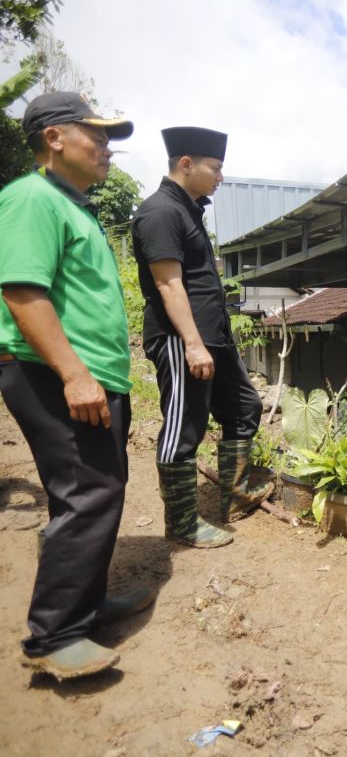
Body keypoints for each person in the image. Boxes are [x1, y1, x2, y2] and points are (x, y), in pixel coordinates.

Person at [0, 92, 154, 679]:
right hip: (56, 376)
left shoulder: (73, 205)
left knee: (98, 489)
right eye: (98, 135)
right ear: (55, 137)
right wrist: (74, 373)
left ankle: (83, 605)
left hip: (87, 377)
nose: (108, 148)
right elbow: (22, 293)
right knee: (87, 495)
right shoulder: (31, 198)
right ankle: (54, 636)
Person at [132, 127, 270, 549]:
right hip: (181, 338)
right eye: (216, 167)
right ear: (186, 164)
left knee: (245, 406)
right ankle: (182, 523)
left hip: (212, 336)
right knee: (183, 426)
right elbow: (168, 285)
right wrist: (191, 343)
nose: (221, 177)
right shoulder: (159, 212)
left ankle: (233, 495)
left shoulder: (188, 210)